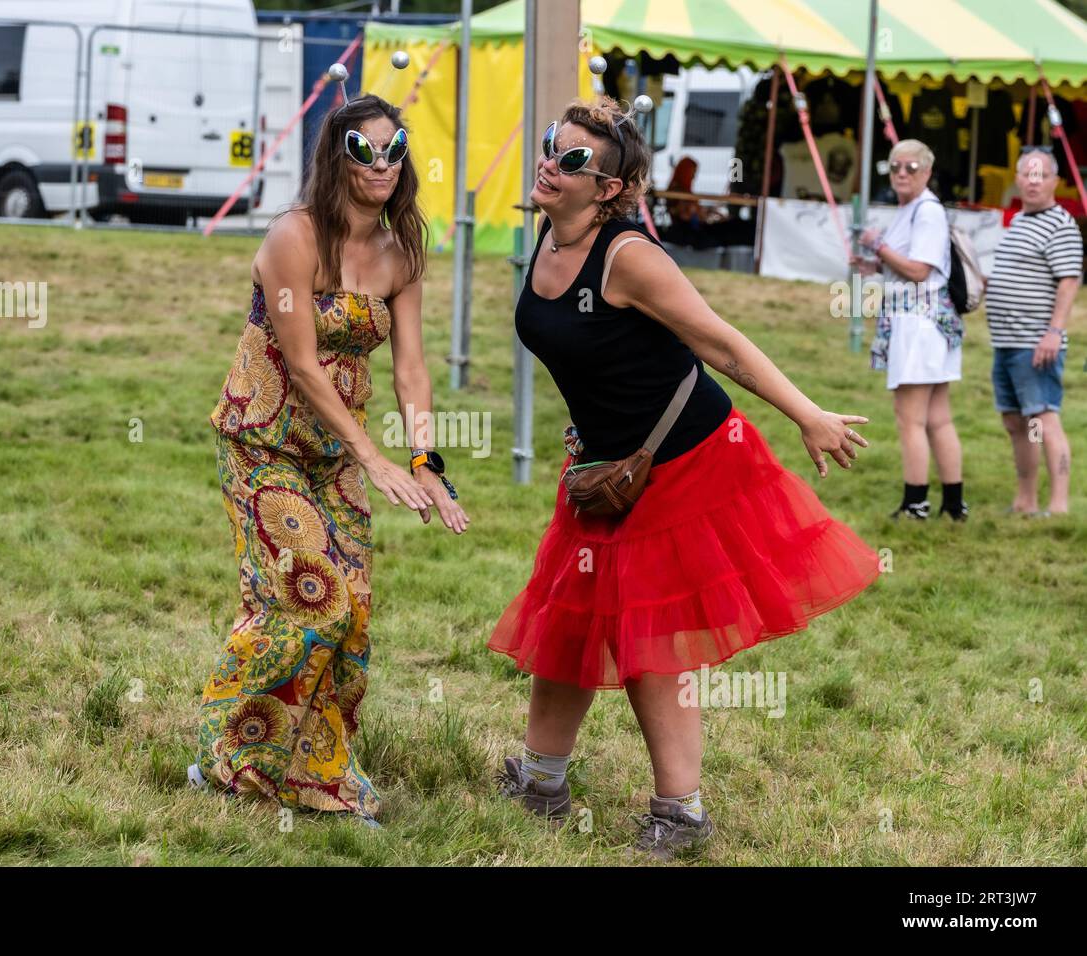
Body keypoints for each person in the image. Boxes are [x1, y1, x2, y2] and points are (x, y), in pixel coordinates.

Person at [488, 96, 881, 860]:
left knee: (649, 634)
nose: (549, 163)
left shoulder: (630, 257)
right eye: (550, 146)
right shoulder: (547, 232)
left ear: (607, 189)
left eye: (571, 159)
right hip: (607, 466)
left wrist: (808, 414)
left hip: (687, 460)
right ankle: (542, 780)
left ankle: (682, 811)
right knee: (569, 611)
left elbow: (723, 345)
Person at [192, 94, 468, 824]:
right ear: (336, 156)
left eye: (395, 149)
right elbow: (303, 363)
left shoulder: (404, 248)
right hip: (264, 442)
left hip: (335, 456)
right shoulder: (295, 237)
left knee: (354, 617)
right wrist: (375, 458)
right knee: (313, 598)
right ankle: (230, 751)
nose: (381, 165)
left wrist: (425, 461)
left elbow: (411, 367)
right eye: (363, 150)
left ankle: (313, 768)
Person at [859, 139, 968, 520]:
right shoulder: (911, 208)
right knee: (937, 417)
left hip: (920, 324)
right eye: (895, 167)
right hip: (924, 322)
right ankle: (953, 506)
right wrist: (874, 265)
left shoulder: (927, 211)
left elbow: (920, 271)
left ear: (927, 172)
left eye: (911, 167)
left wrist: (878, 246)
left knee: (911, 418)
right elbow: (911, 265)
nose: (901, 174)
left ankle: (915, 504)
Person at [984, 147, 1082, 515]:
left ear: (1056, 181)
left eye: (1041, 174)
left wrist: (1054, 332)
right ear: (1017, 177)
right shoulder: (1020, 220)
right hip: (1005, 341)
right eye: (1027, 173)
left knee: (1043, 419)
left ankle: (1058, 506)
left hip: (1036, 343)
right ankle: (1025, 500)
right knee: (1015, 421)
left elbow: (1069, 281)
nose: (1033, 181)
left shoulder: (1061, 223)